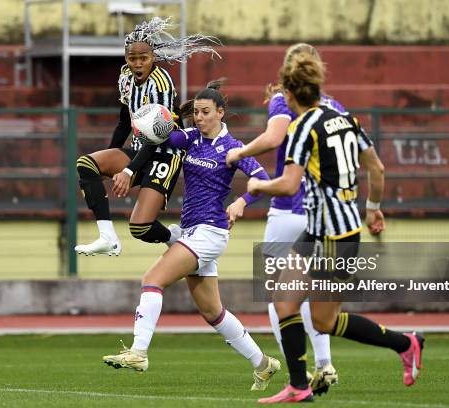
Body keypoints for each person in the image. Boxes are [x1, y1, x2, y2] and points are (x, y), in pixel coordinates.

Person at [245, 51, 424, 403]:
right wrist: (372, 209)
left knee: (325, 321)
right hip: (321, 230)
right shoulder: (345, 118)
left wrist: (257, 186)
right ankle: (299, 385)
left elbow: (288, 185)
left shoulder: (301, 127)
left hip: (333, 238)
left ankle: (406, 343)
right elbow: (377, 168)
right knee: (284, 301)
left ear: (289, 95)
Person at [102, 82, 281, 391]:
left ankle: (139, 352)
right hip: (191, 231)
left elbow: (263, 180)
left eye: (206, 112)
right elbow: (162, 136)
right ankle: (263, 364)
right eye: (196, 112)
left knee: (152, 279)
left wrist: (240, 202)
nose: (199, 118)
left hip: (211, 232)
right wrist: (150, 121)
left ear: (220, 113)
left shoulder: (233, 148)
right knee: (213, 312)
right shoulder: (191, 139)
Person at [226, 43, 342, 395]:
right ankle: (325, 364)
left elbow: (275, 137)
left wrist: (240, 151)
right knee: (314, 293)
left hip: (288, 206)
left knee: (279, 298)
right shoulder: (334, 105)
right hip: (323, 212)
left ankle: (298, 374)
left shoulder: (284, 99)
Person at [74, 17, 219, 256]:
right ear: (126, 59)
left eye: (144, 58)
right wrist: (112, 159)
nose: (138, 64)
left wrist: (129, 170)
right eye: (133, 59)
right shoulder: (125, 77)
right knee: (86, 164)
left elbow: (159, 136)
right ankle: (107, 237)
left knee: (140, 228)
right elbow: (124, 121)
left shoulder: (161, 83)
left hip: (165, 154)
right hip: (140, 148)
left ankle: (175, 237)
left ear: (153, 57)